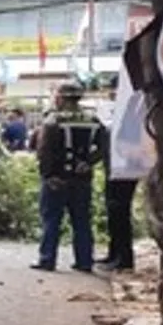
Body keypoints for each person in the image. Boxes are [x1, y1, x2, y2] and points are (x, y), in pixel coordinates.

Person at [104, 0, 163, 271]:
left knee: (120, 208)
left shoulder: (135, 106)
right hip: (122, 161)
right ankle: (116, 254)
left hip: (132, 161)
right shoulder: (126, 107)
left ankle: (123, 257)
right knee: (114, 209)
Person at [34, 82, 110, 273]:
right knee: (82, 221)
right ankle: (84, 261)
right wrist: (89, 162)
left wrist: (48, 175)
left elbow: (44, 151)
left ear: (60, 98)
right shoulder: (92, 119)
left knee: (51, 219)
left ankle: (47, 259)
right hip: (82, 179)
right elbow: (103, 146)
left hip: (57, 178)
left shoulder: (53, 120)